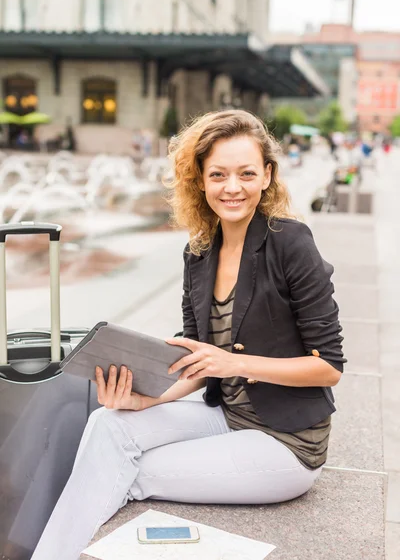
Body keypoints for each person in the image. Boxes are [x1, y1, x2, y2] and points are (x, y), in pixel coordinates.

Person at [32, 110, 346, 560]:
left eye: (246, 173)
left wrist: (235, 363)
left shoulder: (291, 243)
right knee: (107, 423)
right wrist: (147, 399)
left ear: (267, 176)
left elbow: (329, 367)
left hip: (286, 443)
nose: (231, 187)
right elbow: (195, 360)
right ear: (200, 180)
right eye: (217, 174)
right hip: (227, 415)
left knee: (125, 471)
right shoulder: (199, 252)